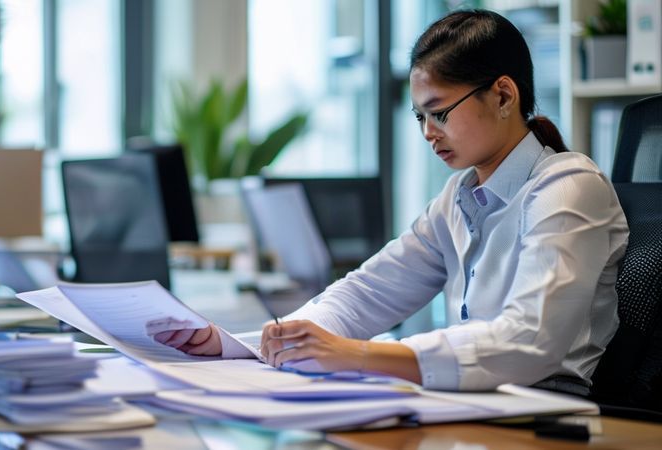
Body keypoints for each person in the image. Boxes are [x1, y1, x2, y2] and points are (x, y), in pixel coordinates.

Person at [154, 9, 629, 394]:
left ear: (503, 94)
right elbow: (366, 294)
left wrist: (360, 355)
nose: (428, 132)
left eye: (440, 112)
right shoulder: (458, 198)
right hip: (475, 403)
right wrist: (247, 343)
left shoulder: (568, 187)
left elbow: (530, 341)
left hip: (548, 414)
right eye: (420, 116)